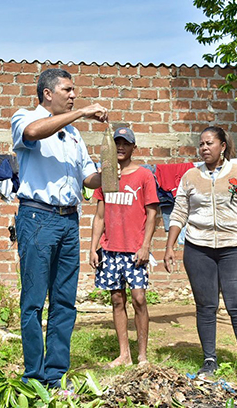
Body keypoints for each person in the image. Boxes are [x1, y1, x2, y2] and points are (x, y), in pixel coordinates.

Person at [11, 68, 109, 389]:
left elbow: (88, 179)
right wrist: (81, 112)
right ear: (47, 94)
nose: (73, 96)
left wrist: (110, 172)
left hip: (69, 220)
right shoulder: (24, 117)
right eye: (67, 90)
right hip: (37, 219)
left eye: (74, 92)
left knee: (65, 301)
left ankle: (55, 375)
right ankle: (33, 375)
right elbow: (34, 133)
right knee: (34, 301)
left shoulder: (75, 136)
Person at [163, 126, 237, 382]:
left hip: (236, 247)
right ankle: (209, 360)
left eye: (209, 143)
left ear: (223, 146)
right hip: (198, 249)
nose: (204, 148)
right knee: (206, 306)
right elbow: (179, 213)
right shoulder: (190, 176)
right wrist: (169, 246)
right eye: (201, 144)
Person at [89, 127, 159, 368]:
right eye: (116, 143)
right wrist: (92, 247)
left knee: (139, 298)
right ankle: (124, 354)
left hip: (135, 249)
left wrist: (145, 246)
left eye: (125, 143)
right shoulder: (106, 176)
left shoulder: (144, 176)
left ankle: (142, 355)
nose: (120, 147)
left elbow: (152, 214)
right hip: (110, 249)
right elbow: (99, 216)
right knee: (117, 300)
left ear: (133, 148)